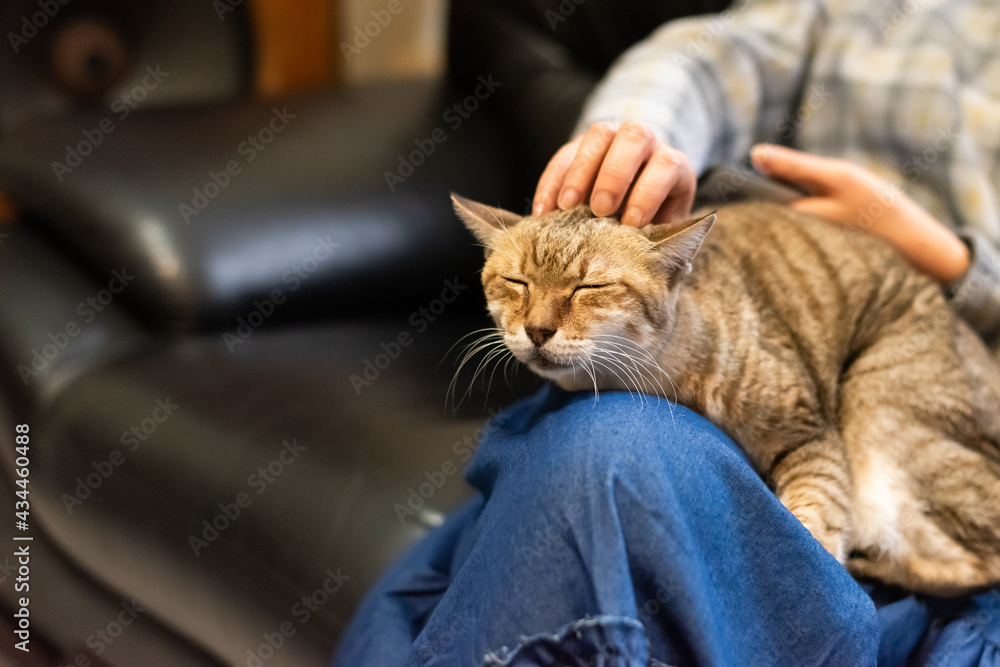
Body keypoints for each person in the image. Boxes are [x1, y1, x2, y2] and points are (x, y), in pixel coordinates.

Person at [334, 0, 1000, 664]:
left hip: (945, 382)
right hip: (711, 310)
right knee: (599, 456)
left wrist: (952, 264)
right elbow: (707, 58)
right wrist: (631, 143)